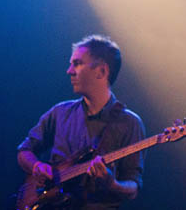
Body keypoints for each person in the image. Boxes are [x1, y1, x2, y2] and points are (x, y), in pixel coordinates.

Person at [17, 35, 145, 209]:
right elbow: (24, 150)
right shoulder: (60, 112)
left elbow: (133, 187)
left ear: (101, 71)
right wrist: (36, 166)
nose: (69, 71)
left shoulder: (130, 123)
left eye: (77, 63)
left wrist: (112, 183)